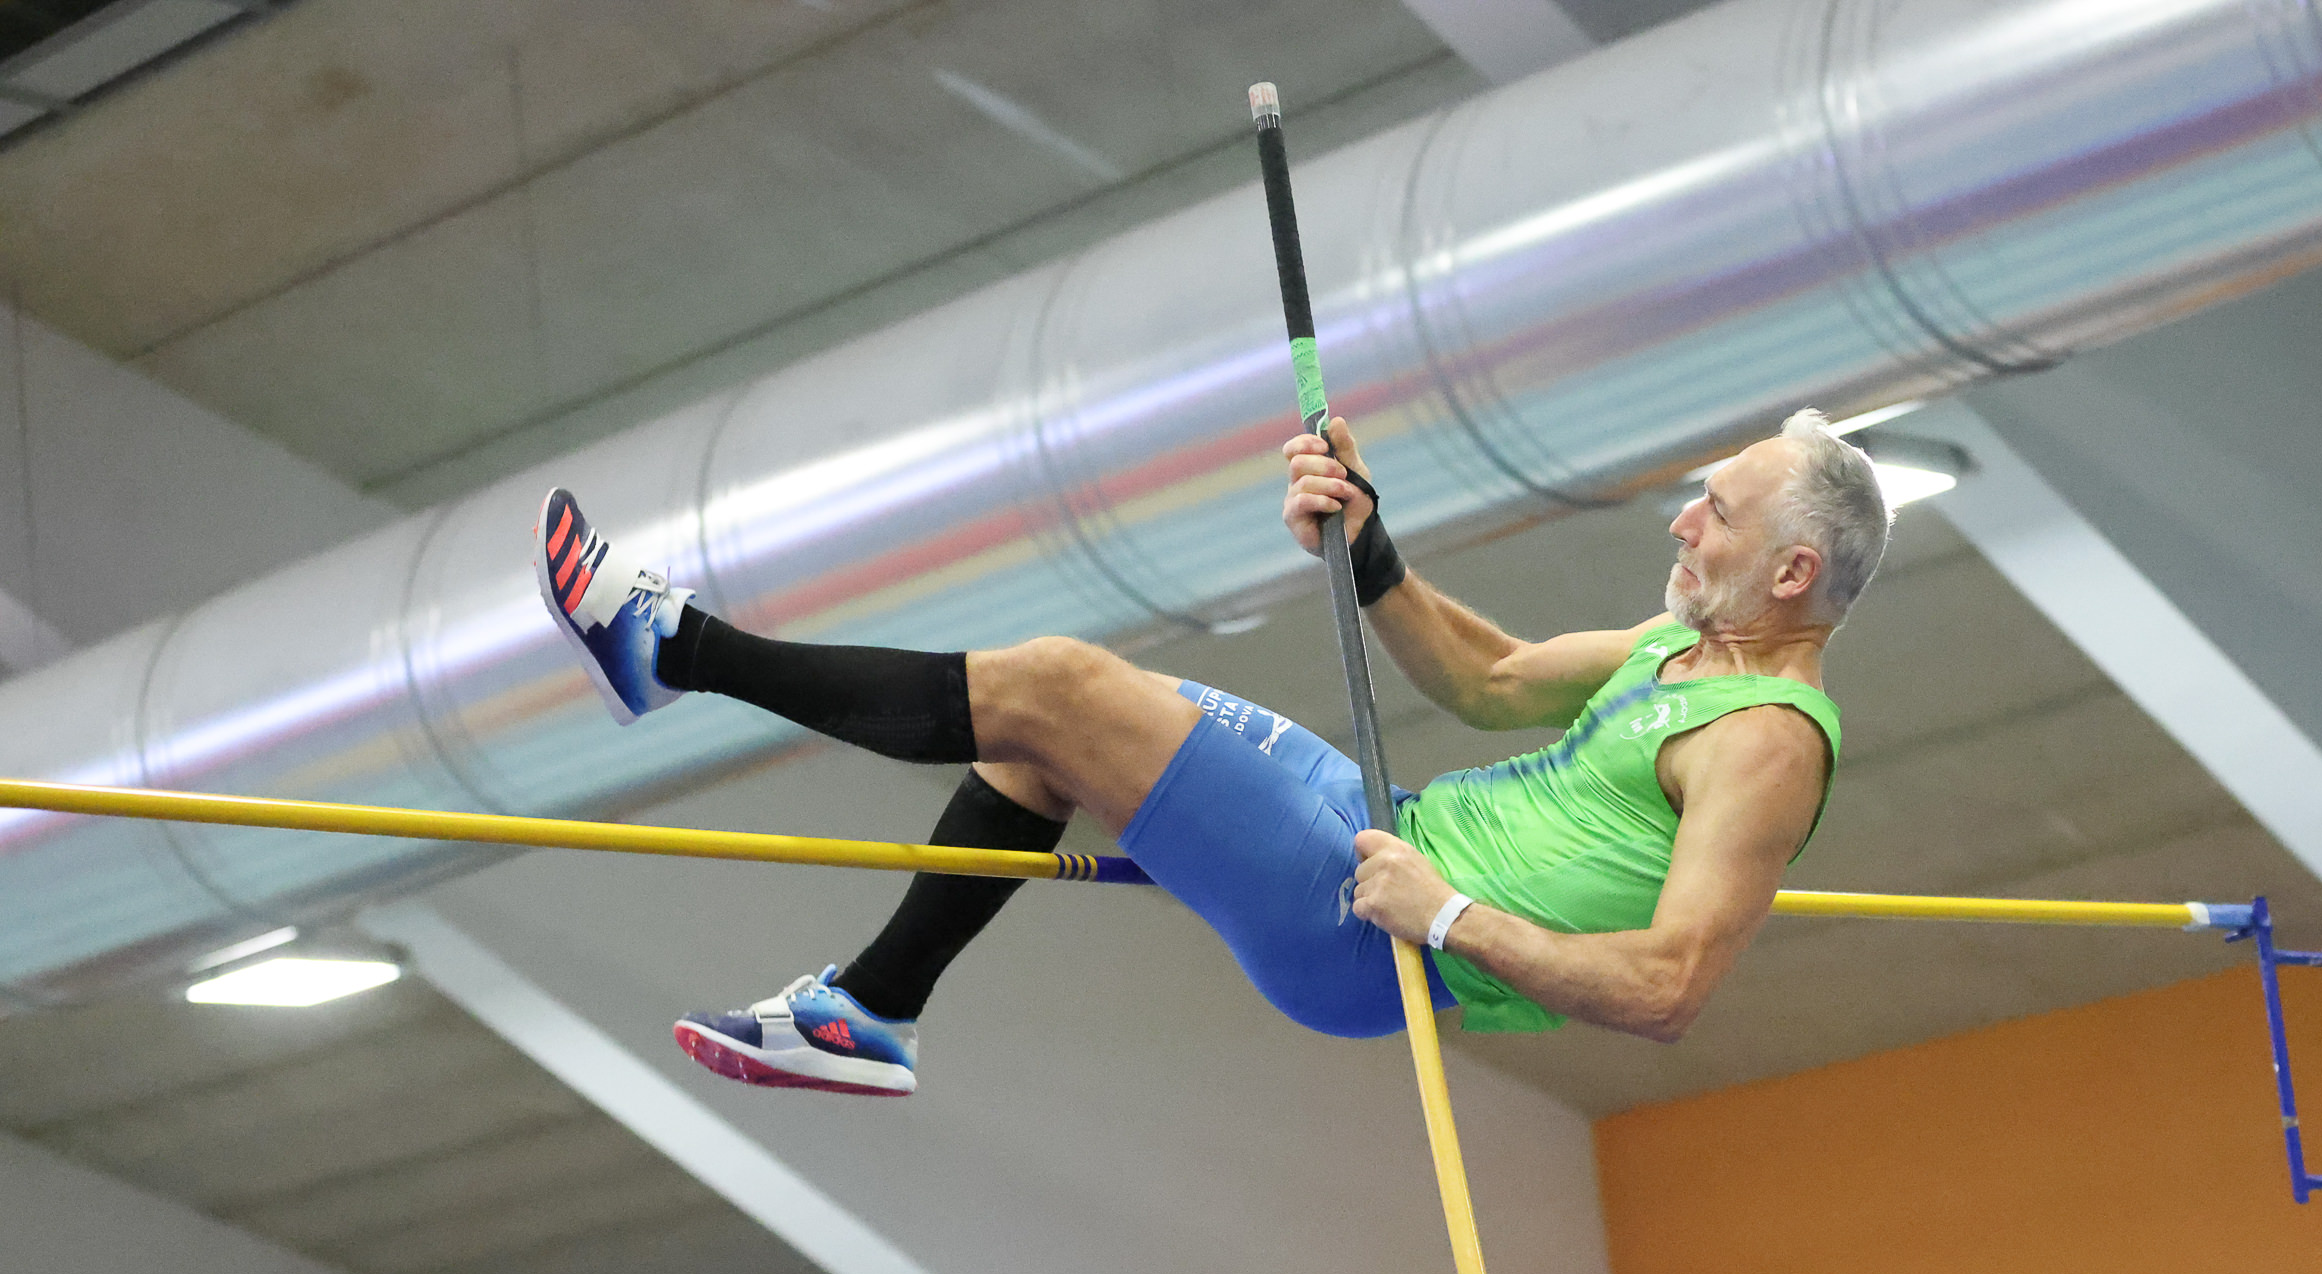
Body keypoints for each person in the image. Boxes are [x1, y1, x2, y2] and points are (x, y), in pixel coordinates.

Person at [534, 409, 1888, 1096]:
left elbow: (1667, 989)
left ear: (1792, 572)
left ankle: (676, 648)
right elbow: (1486, 681)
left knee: (1060, 688)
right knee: (1049, 736)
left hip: (1379, 929)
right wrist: (1368, 545)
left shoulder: (1766, 741)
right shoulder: (1675, 650)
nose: (1682, 524)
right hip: (1381, 822)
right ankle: (869, 1013)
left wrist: (1445, 915)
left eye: (1716, 513)